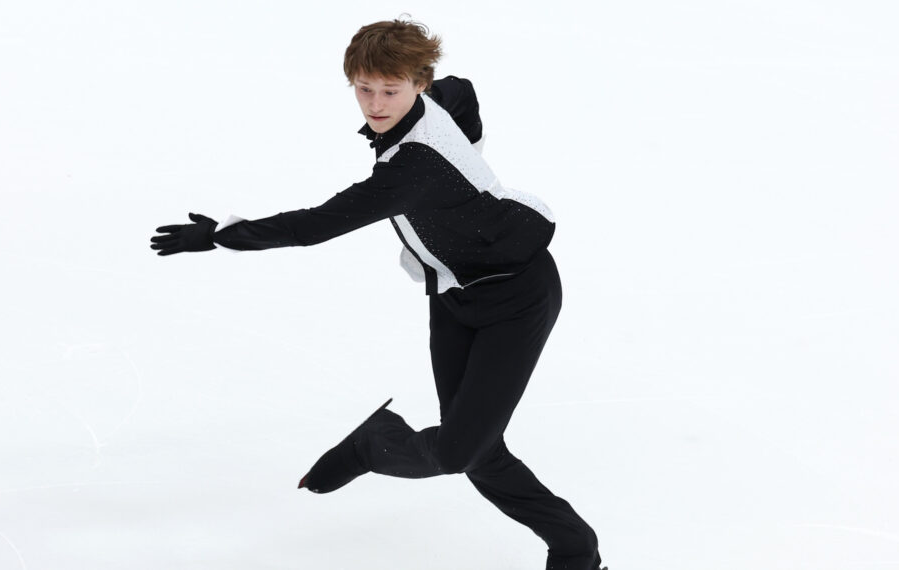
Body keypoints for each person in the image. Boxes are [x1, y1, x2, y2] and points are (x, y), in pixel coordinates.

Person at [150, 18, 604, 570]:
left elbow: (315, 225)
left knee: (463, 449)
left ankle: (377, 445)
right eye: (364, 88)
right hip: (454, 298)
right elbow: (461, 91)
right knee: (477, 451)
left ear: (417, 82)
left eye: (390, 90)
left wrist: (222, 235)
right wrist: (471, 141)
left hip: (518, 297)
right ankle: (574, 547)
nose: (376, 103)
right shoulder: (434, 99)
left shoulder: (413, 167)